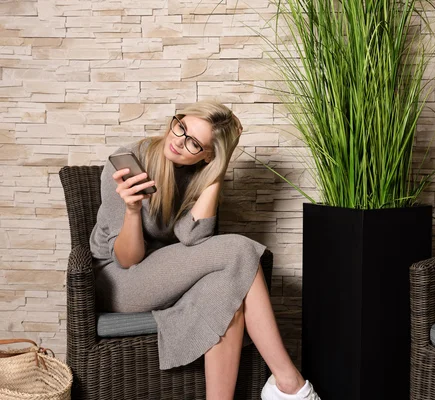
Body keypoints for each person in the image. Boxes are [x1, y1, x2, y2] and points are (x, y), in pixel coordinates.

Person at [89, 100, 321, 400]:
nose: (179, 142)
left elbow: (192, 236)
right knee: (240, 249)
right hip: (117, 281)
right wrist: (132, 210)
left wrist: (218, 168)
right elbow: (126, 259)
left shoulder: (200, 172)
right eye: (180, 126)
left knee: (225, 289)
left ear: (208, 154)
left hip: (163, 275)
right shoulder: (130, 159)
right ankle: (289, 383)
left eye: (194, 144)